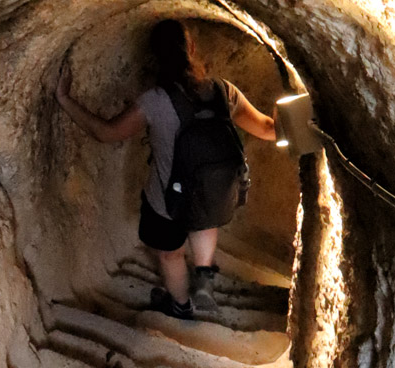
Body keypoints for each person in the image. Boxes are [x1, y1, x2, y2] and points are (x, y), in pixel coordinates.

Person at [55, 18, 277, 318]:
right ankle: (204, 274)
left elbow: (106, 133)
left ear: (154, 57)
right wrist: (295, 117)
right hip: (214, 193)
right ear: (193, 48)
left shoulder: (155, 101)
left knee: (170, 252)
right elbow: (267, 128)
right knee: (204, 214)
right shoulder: (224, 92)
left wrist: (65, 100)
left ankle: (181, 306)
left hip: (168, 200)